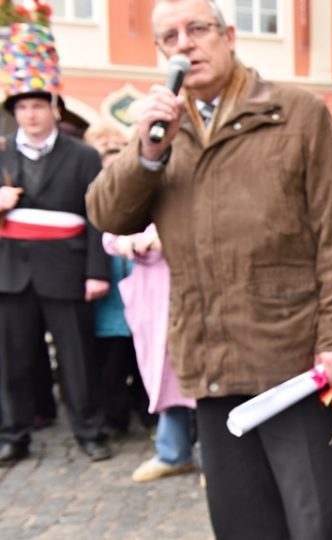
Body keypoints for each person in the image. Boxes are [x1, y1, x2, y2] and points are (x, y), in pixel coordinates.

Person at [85, 1, 332, 537]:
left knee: (317, 521)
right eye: (170, 37)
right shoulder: (164, 131)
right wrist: (145, 155)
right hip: (209, 356)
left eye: (197, 29)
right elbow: (108, 213)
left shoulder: (297, 113)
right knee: (241, 523)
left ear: (229, 35)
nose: (185, 44)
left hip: (293, 360)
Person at [0, 87, 113, 463]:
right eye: (21, 108)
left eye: (37, 106)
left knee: (78, 359)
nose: (30, 115)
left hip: (67, 268)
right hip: (12, 271)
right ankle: (14, 433)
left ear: (55, 111)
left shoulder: (82, 155)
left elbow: (99, 216)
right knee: (11, 361)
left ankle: (90, 431)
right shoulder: (2, 152)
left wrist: (97, 272)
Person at [104, 223, 198, 482]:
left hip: (195, 284)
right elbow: (110, 228)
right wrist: (127, 241)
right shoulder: (136, 188)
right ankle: (173, 452)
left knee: (205, 370)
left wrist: (169, 235)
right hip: (150, 295)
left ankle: (219, 460)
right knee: (160, 372)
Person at [84, 125, 152, 439]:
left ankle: (148, 411)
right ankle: (115, 416)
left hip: (143, 289)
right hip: (109, 295)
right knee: (110, 361)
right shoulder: (93, 201)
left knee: (143, 359)